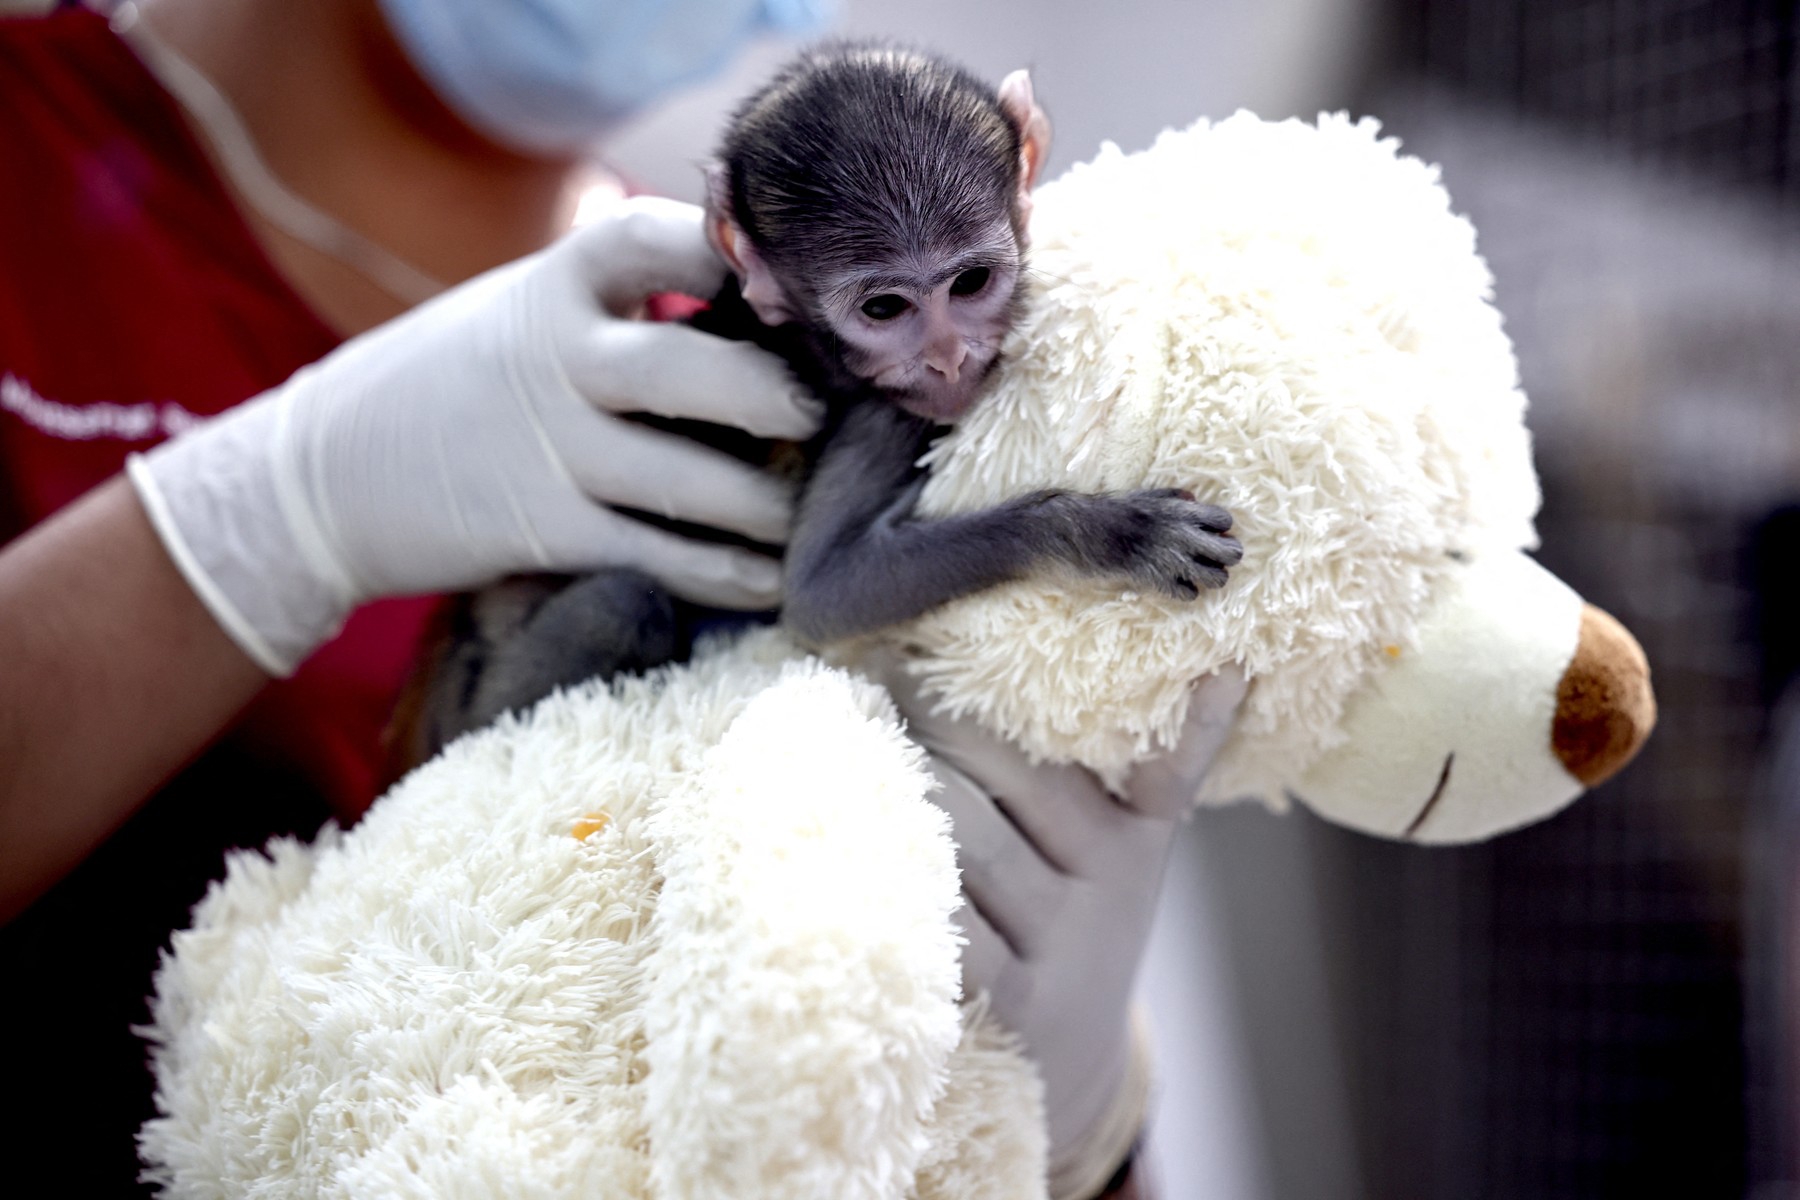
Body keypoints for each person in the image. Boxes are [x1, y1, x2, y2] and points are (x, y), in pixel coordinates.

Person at [0, 2, 1234, 1195]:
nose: (952, 351)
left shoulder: (770, 295)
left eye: (971, 286)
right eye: (890, 308)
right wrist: (264, 520)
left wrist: (1082, 1134)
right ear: (752, 256)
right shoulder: (30, 144)